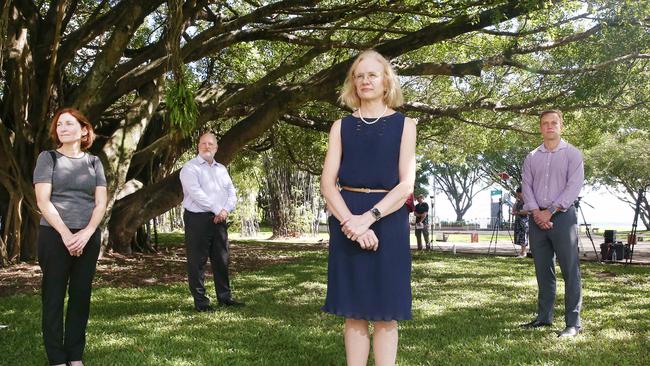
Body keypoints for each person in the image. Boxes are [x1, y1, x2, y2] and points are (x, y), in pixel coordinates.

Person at [320, 49, 416, 366]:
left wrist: (369, 219)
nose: (365, 81)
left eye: (372, 74)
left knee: (387, 312)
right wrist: (351, 223)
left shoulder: (406, 125)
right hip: (346, 215)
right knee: (354, 311)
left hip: (387, 218)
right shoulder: (340, 127)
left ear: (386, 81)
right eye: (359, 76)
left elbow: (406, 186)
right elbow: (327, 184)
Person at [34, 108, 108, 366]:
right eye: (59, 125)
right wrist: (66, 234)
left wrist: (86, 233)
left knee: (80, 295)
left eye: (69, 123)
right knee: (53, 296)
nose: (62, 128)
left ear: (84, 129)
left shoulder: (94, 162)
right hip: (54, 236)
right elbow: (43, 201)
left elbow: (100, 203)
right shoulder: (48, 158)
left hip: (87, 236)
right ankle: (56, 357)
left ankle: (74, 354)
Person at [521, 109, 584, 338]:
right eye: (545, 123)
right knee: (543, 270)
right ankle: (544, 317)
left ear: (561, 126)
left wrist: (550, 211)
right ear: (540, 127)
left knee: (570, 270)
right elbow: (526, 186)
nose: (549, 126)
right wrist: (537, 212)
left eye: (554, 123)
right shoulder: (531, 157)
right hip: (537, 218)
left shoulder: (573, 154)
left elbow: (573, 187)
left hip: (563, 217)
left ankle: (573, 324)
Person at [179, 132, 244, 311]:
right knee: (197, 261)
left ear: (216, 148)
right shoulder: (190, 168)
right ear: (198, 146)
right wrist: (217, 209)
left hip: (220, 219)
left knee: (222, 259)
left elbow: (231, 192)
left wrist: (225, 210)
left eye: (210, 144)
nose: (207, 146)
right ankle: (201, 302)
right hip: (198, 219)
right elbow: (196, 193)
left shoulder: (221, 169)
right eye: (203, 143)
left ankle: (225, 297)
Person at [512, 187, 529, 257]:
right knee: (519, 236)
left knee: (523, 236)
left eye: (519, 194)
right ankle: (522, 251)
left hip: (524, 221)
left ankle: (524, 252)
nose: (518, 195)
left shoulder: (527, 201)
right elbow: (513, 209)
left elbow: (527, 211)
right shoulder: (518, 202)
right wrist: (516, 202)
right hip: (518, 220)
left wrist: (518, 212)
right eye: (517, 194)